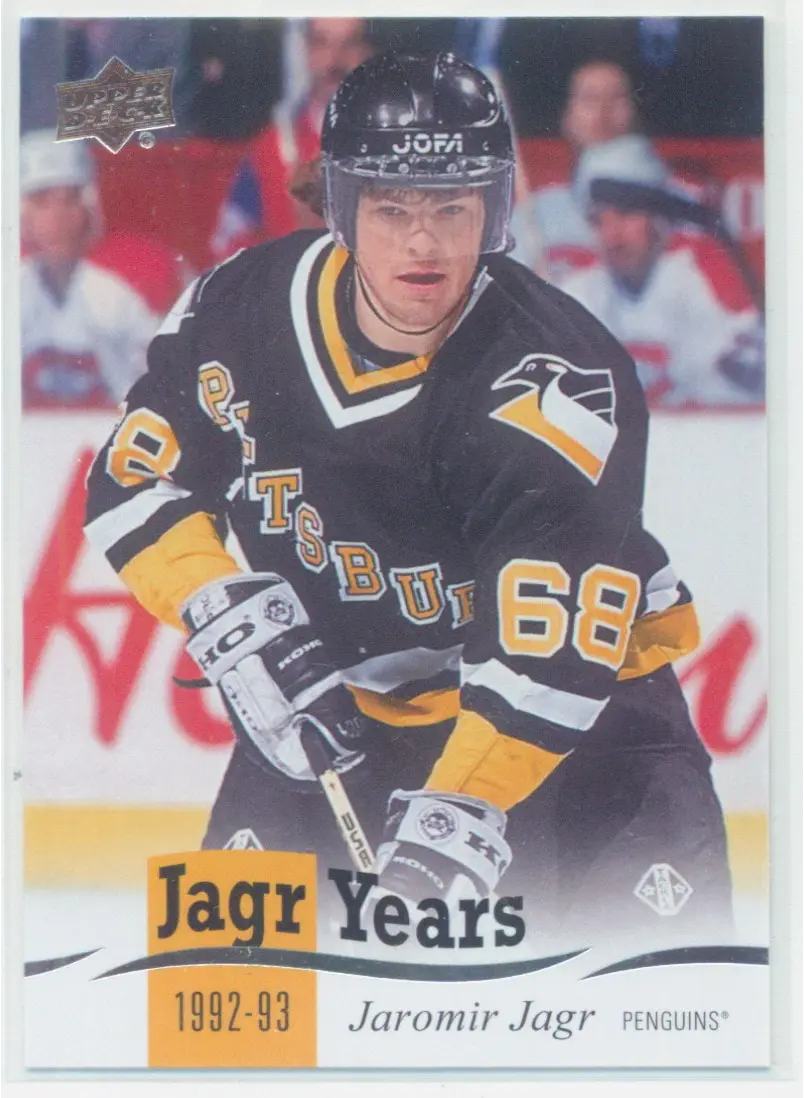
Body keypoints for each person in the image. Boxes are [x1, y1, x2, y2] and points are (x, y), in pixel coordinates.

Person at [84, 51, 732, 951]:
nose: (424, 244)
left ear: (493, 210)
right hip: (337, 713)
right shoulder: (237, 309)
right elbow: (132, 477)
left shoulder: (561, 382)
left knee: (659, 1006)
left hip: (582, 730)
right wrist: (217, 602)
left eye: (452, 208)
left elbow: (546, 663)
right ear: (342, 206)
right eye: (393, 210)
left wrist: (451, 818)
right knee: (216, 995)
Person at [559, 135, 765, 407]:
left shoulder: (699, 271)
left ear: (659, 219)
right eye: (599, 220)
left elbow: (744, 396)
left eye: (625, 215)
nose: (612, 237)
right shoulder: (581, 289)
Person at [21, 130, 182, 409]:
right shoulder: (13, 288)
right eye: (42, 202)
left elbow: (163, 385)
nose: (57, 216)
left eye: (70, 199)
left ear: (89, 208)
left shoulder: (119, 294)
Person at [211, 17, 373, 256]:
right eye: (322, 43)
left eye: (350, 44)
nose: (335, 59)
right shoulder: (271, 148)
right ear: (305, 50)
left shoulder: (397, 148)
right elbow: (231, 247)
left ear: (367, 52)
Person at [509, 60, 638, 280]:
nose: (603, 112)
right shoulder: (535, 213)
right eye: (590, 99)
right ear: (567, 117)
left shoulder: (674, 209)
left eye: (616, 97)